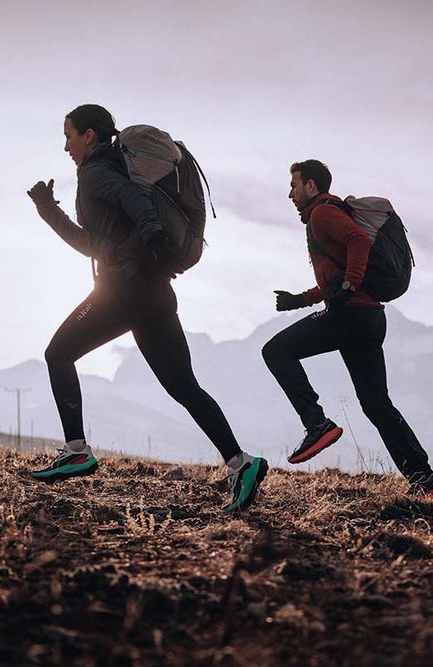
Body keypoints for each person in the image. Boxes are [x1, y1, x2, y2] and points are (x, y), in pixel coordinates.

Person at [27, 104, 268, 512]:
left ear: (89, 136)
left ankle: (77, 450)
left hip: (124, 289)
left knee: (58, 353)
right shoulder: (111, 171)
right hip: (154, 292)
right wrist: (48, 209)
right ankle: (240, 463)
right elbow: (93, 244)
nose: (65, 145)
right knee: (183, 385)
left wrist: (153, 233)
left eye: (69, 135)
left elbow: (131, 199)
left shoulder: (98, 173)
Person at [262, 159, 433, 497]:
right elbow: (336, 278)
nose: (290, 193)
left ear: (311, 186)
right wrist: (300, 300)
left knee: (275, 350)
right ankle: (424, 477)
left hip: (352, 315)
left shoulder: (322, 214)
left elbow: (358, 243)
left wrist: (350, 285)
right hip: (370, 319)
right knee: (376, 403)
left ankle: (316, 424)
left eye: (294, 185)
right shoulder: (325, 215)